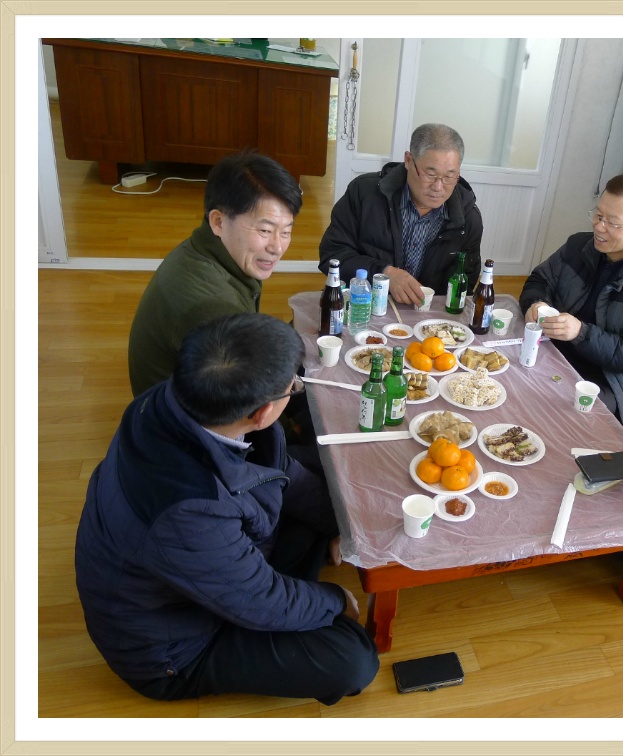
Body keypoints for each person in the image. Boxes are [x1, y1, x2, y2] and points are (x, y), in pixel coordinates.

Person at [76, 313, 379, 704]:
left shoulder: (173, 397)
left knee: (324, 474)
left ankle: (307, 564)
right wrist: (334, 600)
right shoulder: (187, 511)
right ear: (262, 413)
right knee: (353, 660)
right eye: (292, 388)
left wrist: (342, 525)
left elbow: (282, 472)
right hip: (174, 650)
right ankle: (304, 583)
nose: (294, 390)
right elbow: (259, 600)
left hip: (206, 564)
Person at [128, 151, 302, 397]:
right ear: (218, 221)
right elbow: (248, 402)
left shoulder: (204, 248)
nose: (277, 247)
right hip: (189, 416)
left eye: (286, 232)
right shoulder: (214, 309)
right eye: (265, 230)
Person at [519, 174, 623, 424]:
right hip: (554, 352)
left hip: (610, 381)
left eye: (612, 223)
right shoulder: (578, 246)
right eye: (598, 215)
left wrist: (580, 333)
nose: (599, 227)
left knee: (552, 418)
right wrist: (536, 303)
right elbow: (539, 280)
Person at [318, 123, 483, 305]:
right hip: (363, 305)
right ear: (408, 160)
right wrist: (384, 273)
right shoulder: (364, 194)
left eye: (449, 176)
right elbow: (332, 254)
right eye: (430, 174)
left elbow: (464, 284)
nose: (438, 187)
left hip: (427, 315)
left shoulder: (468, 219)